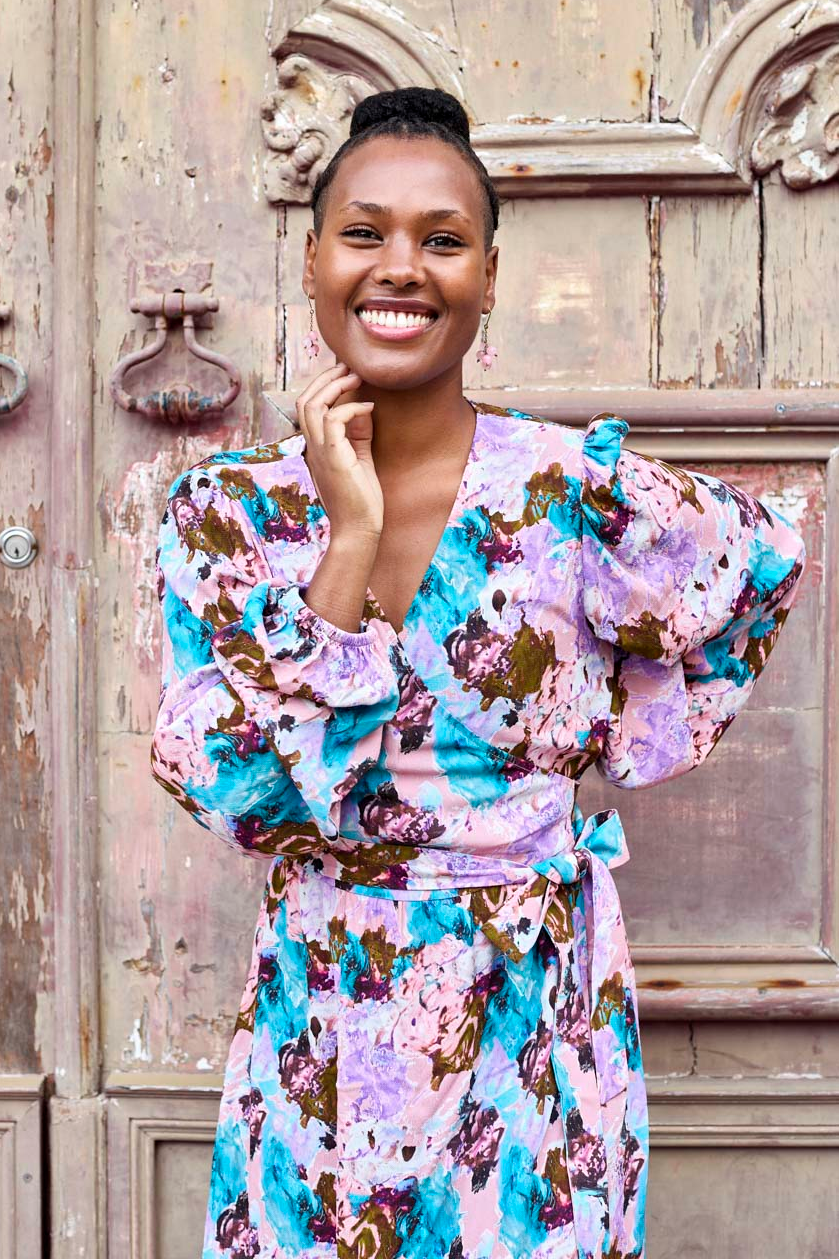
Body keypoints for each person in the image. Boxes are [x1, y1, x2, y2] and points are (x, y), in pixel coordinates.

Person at [150, 87, 807, 1260]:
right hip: (325, 1020)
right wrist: (348, 544)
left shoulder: (570, 493)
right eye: (365, 233)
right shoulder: (227, 516)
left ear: (489, 276)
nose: (401, 266)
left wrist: (621, 732)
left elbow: (755, 567)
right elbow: (239, 796)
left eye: (443, 240)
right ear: (312, 262)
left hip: (531, 1018)